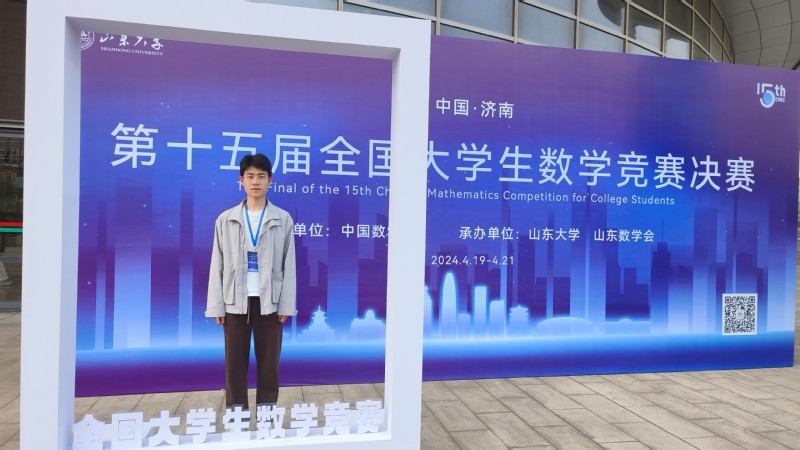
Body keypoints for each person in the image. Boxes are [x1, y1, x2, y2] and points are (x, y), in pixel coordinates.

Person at [205, 153, 296, 409]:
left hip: (270, 302)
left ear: (270, 181)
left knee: (269, 366)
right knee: (234, 366)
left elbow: (289, 265)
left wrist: (286, 305)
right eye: (250, 176)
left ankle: (267, 419)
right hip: (235, 302)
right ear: (241, 180)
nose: (255, 182)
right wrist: (216, 306)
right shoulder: (226, 219)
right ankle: (237, 418)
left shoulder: (282, 219)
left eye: (261, 176)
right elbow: (217, 264)